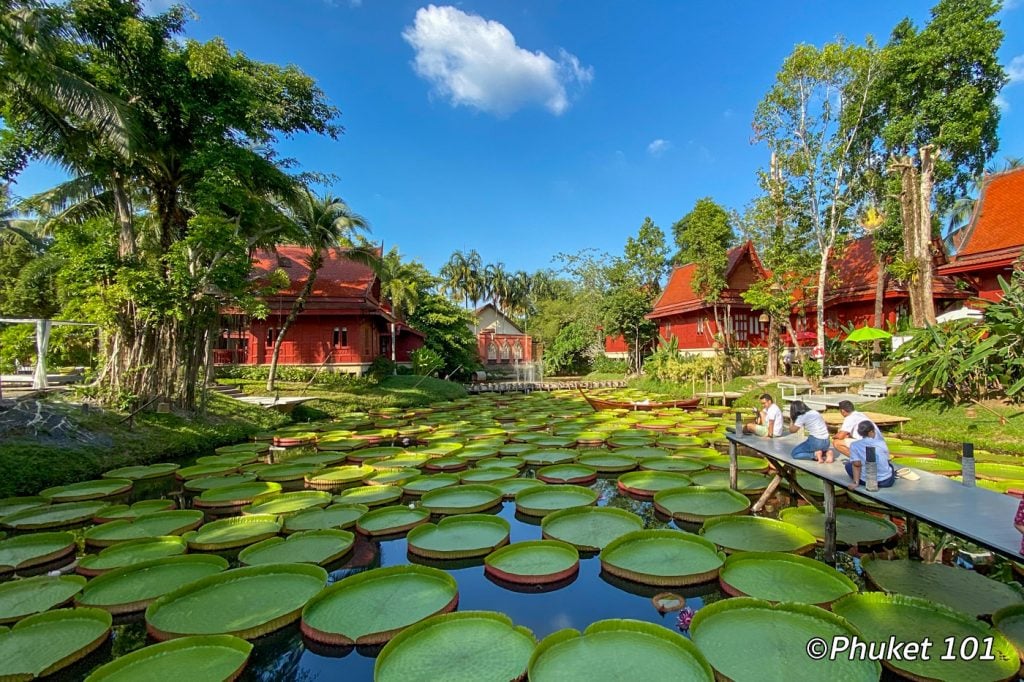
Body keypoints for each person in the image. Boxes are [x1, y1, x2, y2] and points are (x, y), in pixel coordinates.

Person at [845, 421, 895, 489]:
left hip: (868, 481)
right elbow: (887, 460)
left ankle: (868, 481)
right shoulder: (881, 442)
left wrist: (855, 483)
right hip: (886, 481)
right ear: (871, 432)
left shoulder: (854, 445)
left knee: (848, 465)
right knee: (890, 466)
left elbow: (857, 465)